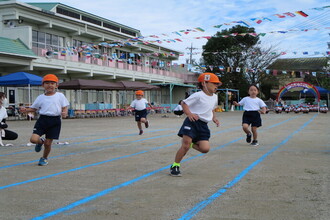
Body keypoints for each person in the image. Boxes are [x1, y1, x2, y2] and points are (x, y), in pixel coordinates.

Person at [170, 72, 221, 177]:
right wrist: (189, 114)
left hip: (203, 125)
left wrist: (214, 118)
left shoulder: (215, 97)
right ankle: (175, 165)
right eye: (214, 83)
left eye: (217, 84)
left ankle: (192, 143)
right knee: (185, 145)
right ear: (204, 83)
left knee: (205, 149)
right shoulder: (198, 95)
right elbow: (184, 103)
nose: (216, 85)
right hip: (192, 122)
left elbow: (212, 109)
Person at [21, 74, 69, 166]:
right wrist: (26, 110)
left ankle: (44, 158)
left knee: (48, 143)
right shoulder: (40, 97)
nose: (50, 85)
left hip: (55, 121)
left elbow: (65, 106)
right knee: (33, 140)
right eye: (47, 83)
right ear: (43, 85)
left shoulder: (60, 96)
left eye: (52, 83)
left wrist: (65, 112)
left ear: (56, 85)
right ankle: (40, 142)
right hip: (42, 120)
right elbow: (34, 108)